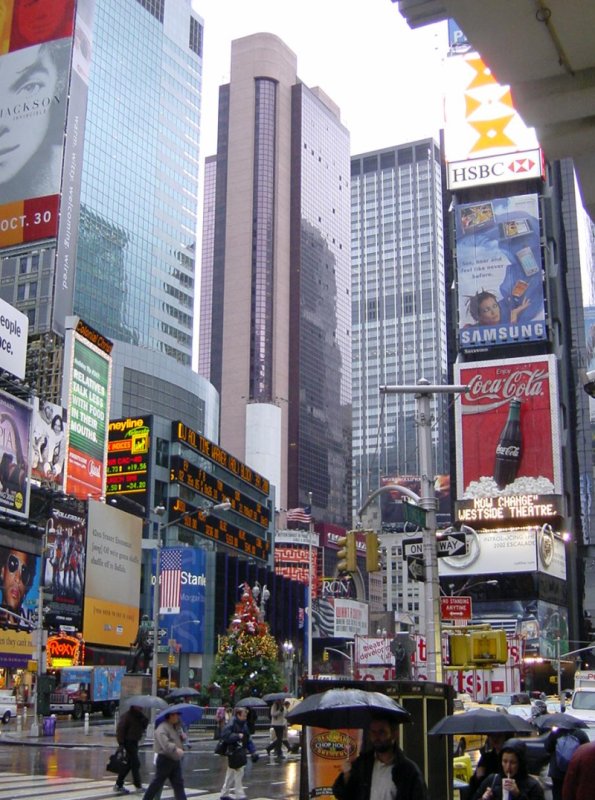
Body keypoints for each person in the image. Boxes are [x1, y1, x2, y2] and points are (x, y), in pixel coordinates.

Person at [332, 715, 428, 800]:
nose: (376, 737)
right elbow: (342, 794)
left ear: (394, 734)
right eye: (373, 732)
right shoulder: (363, 765)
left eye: (382, 732)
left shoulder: (408, 771)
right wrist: (347, 775)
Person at [471, 738, 545, 800]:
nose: (508, 767)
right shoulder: (492, 780)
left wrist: (518, 795)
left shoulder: (533, 787)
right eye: (505, 761)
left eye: (513, 763)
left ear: (520, 763)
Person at [142, 708, 187, 800]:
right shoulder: (162, 728)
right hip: (165, 760)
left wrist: (182, 738)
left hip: (174, 760)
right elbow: (165, 744)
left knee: (178, 784)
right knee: (157, 783)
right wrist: (176, 749)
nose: (178, 717)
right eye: (176, 714)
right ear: (171, 716)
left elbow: (175, 740)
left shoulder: (174, 727)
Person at [219, 706, 256, 800]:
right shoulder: (232, 723)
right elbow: (225, 736)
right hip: (234, 751)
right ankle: (240, 795)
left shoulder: (243, 724)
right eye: (244, 716)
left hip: (238, 751)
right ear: (238, 715)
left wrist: (253, 751)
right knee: (239, 771)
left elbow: (247, 738)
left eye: (246, 716)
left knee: (231, 772)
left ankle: (224, 793)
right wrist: (237, 736)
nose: (245, 717)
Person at [544, 724, 589, 800]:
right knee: (572, 792)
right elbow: (586, 751)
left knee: (557, 792)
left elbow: (548, 748)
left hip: (557, 771)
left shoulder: (556, 732)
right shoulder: (581, 734)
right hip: (574, 770)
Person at [113, 704, 148, 795]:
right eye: (139, 706)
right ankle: (138, 786)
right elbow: (120, 730)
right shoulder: (127, 716)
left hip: (135, 741)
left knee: (128, 765)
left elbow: (143, 726)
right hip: (128, 742)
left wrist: (143, 718)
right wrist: (121, 744)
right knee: (135, 763)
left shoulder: (138, 716)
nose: (141, 707)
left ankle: (118, 784)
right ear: (134, 706)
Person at [465, 733, 510, 799]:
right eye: (492, 736)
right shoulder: (486, 758)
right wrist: (477, 777)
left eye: (499, 736)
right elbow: (475, 789)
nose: (495, 739)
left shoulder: (510, 758)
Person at [0, 547, 35, 630]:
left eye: (24, 572)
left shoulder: (34, 624)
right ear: (2, 571)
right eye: (13, 564)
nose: (18, 579)